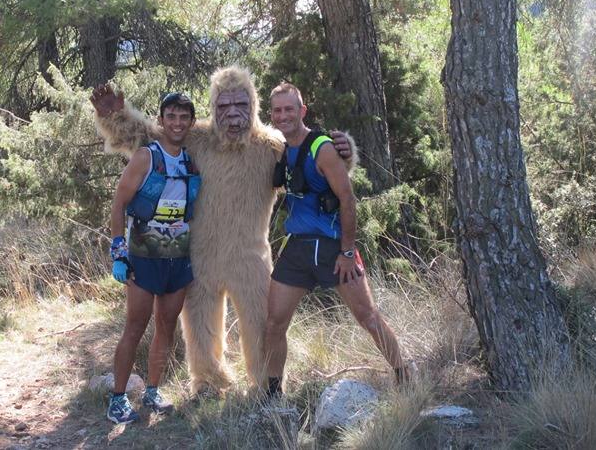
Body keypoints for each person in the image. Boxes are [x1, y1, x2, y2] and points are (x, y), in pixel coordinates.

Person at [92, 68, 355, 395]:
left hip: (250, 256)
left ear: (254, 105)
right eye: (223, 106)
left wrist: (344, 151)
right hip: (200, 254)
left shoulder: (273, 146)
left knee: (261, 323)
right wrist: (115, 116)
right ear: (213, 108)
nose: (232, 113)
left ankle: (264, 385)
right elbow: (148, 139)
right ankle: (207, 381)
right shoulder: (196, 139)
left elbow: (315, 164)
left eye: (241, 105)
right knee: (199, 325)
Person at [264, 82, 411, 398]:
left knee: (368, 317)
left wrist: (347, 251)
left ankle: (405, 376)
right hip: (298, 248)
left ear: (302, 111)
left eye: (290, 109)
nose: (283, 115)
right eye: (277, 110)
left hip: (333, 248)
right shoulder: (280, 149)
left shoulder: (322, 148)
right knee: (274, 323)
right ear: (272, 115)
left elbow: (348, 199)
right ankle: (272, 394)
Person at [106, 92, 201, 424]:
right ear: (161, 121)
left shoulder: (192, 160)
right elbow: (119, 204)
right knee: (135, 327)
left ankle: (152, 391)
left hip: (179, 255)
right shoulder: (147, 156)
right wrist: (119, 253)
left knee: (166, 325)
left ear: (190, 122)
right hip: (144, 255)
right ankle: (117, 399)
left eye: (183, 117)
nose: (177, 123)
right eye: (171, 116)